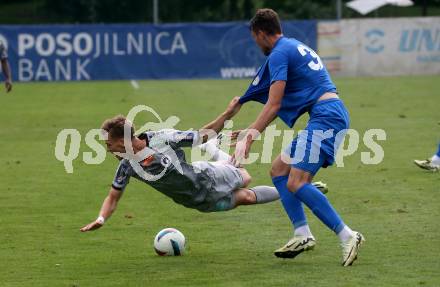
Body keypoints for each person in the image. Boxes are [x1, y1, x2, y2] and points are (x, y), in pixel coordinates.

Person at [223, 9, 364, 266]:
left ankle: (348, 235)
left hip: (326, 117)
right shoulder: (293, 46)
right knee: (279, 171)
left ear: (262, 33)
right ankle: (302, 233)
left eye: (255, 38)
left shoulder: (278, 53)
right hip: (327, 113)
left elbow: (274, 105)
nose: (257, 44)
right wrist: (250, 130)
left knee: (297, 182)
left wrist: (250, 138)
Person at [80, 98, 283, 232]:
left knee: (246, 178)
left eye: (109, 144)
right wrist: (101, 219)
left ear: (123, 140)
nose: (108, 149)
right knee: (245, 197)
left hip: (207, 177)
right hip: (195, 201)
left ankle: (290, 189)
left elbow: (201, 135)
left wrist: (227, 114)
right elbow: (113, 197)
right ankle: (290, 189)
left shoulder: (161, 139)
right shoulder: (127, 166)